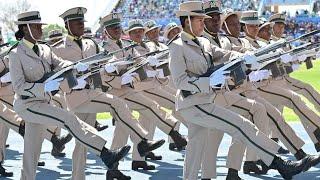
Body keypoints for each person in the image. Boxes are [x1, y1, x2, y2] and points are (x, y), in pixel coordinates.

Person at [169, 2, 320, 180]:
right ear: (187, 21)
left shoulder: (203, 42)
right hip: (193, 103)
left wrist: (244, 57)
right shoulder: (177, 46)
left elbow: (224, 54)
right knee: (241, 125)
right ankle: (280, 164)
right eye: (200, 20)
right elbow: (179, 81)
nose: (204, 23)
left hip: (205, 100)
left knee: (196, 146)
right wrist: (208, 82)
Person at [8, 10, 131, 180]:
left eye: (39, 26)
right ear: (25, 29)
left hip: (43, 102)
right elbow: (19, 86)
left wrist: (75, 66)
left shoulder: (44, 48)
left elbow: (59, 63)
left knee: (31, 153)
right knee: (68, 119)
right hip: (28, 105)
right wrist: (43, 87)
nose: (40, 30)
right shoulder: (15, 54)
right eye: (36, 27)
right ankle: (105, 153)